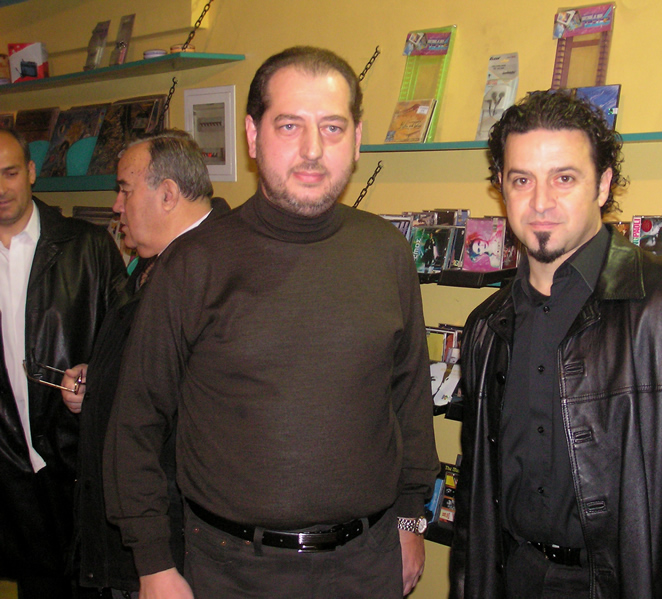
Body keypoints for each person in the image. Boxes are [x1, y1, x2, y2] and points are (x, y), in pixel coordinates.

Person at [103, 46, 439, 599]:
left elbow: (409, 400)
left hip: (368, 563)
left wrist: (410, 520)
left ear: (357, 140)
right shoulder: (193, 264)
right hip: (232, 571)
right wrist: (154, 564)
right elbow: (136, 421)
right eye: (290, 125)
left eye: (332, 127)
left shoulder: (387, 252)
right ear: (253, 136)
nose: (312, 149)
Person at [449, 90, 662, 599]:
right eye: (522, 180)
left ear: (603, 184)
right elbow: (475, 497)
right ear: (501, 186)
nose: (540, 202)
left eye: (564, 178)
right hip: (515, 579)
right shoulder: (486, 325)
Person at [59, 131, 230, 598]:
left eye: (125, 190)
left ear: (168, 194)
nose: (116, 206)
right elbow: (153, 372)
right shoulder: (155, 259)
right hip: (132, 538)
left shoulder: (217, 269)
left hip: (176, 548)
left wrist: (156, 561)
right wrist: (99, 379)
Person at [0, 126, 126, 597]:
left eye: (10, 173)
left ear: (32, 171)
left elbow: (128, 345)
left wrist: (96, 376)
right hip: (10, 472)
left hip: (79, 464)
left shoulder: (88, 247)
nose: (0, 188)